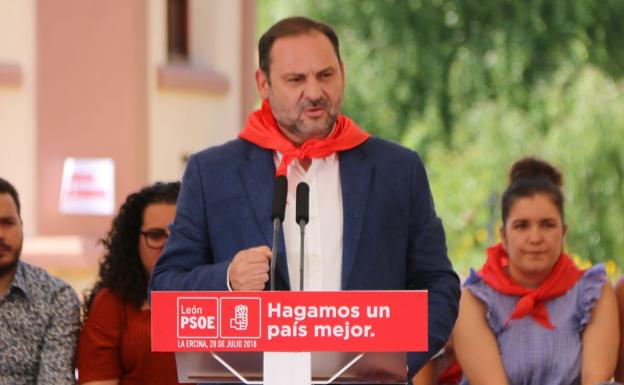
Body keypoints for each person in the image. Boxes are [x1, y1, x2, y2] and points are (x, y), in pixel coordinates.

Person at [149, 16, 460, 379]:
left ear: (343, 73)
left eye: (325, 75)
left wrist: (397, 360)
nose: (314, 92)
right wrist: (229, 280)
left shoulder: (397, 170)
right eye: (296, 80)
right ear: (263, 83)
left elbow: (438, 283)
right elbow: (165, 290)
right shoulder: (212, 173)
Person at [452, 157, 618, 385]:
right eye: (521, 226)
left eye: (547, 225)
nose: (535, 238)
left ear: (564, 232)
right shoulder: (474, 300)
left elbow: (596, 381)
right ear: (503, 236)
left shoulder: (594, 293)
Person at [76, 182, 185, 385]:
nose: (169, 246)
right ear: (133, 242)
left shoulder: (224, 291)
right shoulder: (112, 303)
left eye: (179, 235)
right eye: (156, 235)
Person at [0, 177, 81, 385]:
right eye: (155, 235)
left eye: (7, 223)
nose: (0, 235)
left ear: (21, 225)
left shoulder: (55, 298)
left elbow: (55, 380)